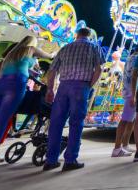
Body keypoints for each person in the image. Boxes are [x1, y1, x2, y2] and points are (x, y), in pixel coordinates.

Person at [0, 36, 51, 173]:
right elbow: (49, 56)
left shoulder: (10, 54)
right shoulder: (30, 49)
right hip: (15, 85)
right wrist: (54, 54)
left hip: (0, 85)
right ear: (32, 44)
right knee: (1, 122)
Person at [44, 28, 103, 171]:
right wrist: (89, 85)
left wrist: (50, 89)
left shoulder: (65, 47)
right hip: (81, 85)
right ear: (89, 36)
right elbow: (99, 69)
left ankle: (50, 160)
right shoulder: (94, 47)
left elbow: (52, 71)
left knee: (56, 123)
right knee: (76, 123)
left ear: (77, 35)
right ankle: (70, 159)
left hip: (64, 86)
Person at [112, 41, 138, 157]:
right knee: (125, 119)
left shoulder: (131, 57)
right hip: (132, 92)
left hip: (128, 90)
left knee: (131, 120)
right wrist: (134, 94)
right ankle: (117, 148)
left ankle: (125, 145)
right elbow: (134, 76)